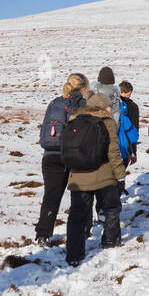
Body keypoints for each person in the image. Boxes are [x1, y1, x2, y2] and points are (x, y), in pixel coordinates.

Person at [65, 92, 124, 265]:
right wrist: (120, 175)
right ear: (104, 106)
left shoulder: (74, 119)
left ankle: (74, 253)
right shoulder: (107, 122)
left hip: (78, 175)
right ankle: (111, 241)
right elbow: (113, 152)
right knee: (112, 207)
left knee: (77, 214)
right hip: (104, 175)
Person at [35, 73, 88, 246]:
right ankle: (81, 232)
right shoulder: (80, 103)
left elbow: (44, 129)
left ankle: (43, 234)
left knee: (51, 196)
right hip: (72, 155)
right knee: (79, 196)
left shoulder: (54, 103)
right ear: (82, 88)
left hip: (50, 154)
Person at [117, 81, 140, 169]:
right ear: (129, 92)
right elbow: (133, 131)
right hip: (125, 147)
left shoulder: (111, 104)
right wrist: (133, 152)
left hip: (109, 146)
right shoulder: (133, 106)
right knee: (120, 176)